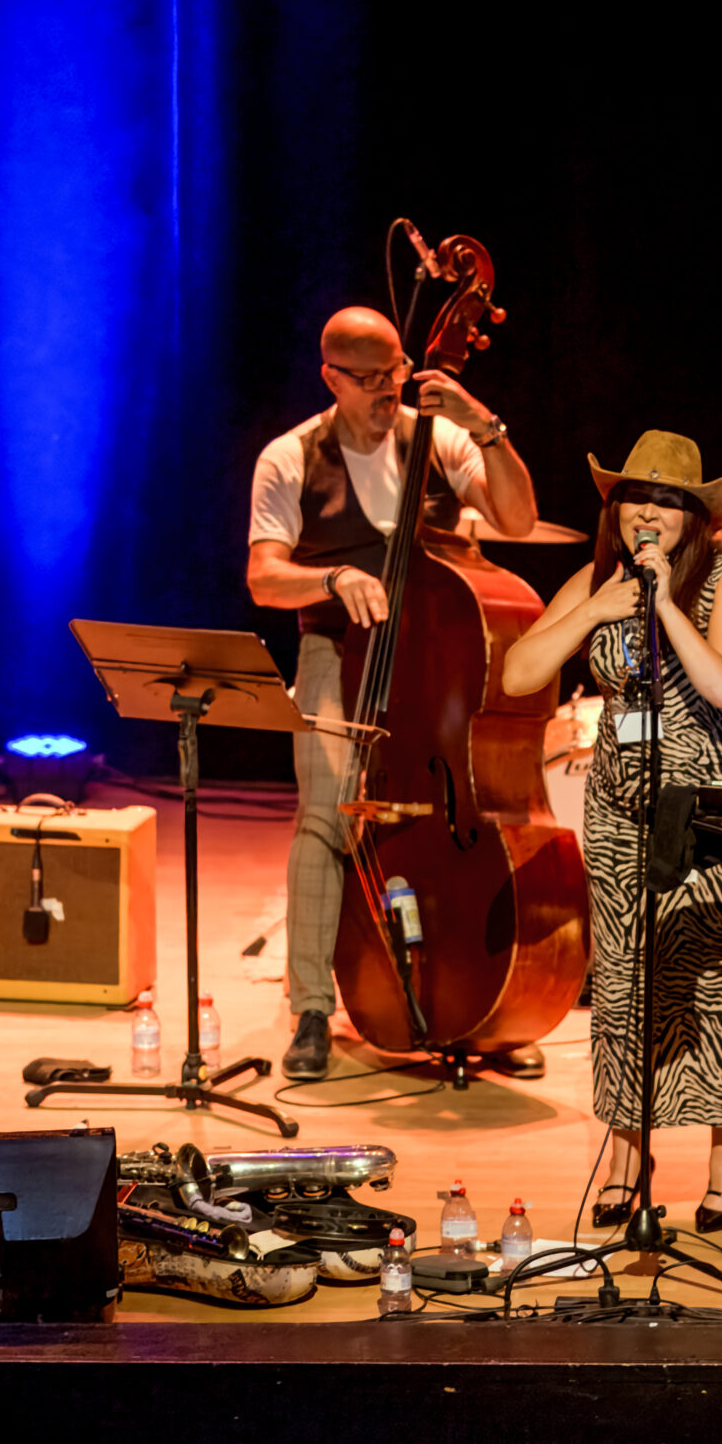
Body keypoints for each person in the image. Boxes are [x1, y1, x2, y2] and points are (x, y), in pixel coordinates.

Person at [502, 431, 722, 1231]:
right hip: (622, 803)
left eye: (668, 500)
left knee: (721, 979)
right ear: (616, 508)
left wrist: (663, 602)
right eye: (636, 497)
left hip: (713, 801)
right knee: (627, 978)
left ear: (696, 516)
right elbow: (519, 674)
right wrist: (597, 607)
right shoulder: (596, 579)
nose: (649, 512)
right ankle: (628, 1150)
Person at [246, 305, 540, 1081]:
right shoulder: (289, 457)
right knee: (325, 814)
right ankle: (313, 1008)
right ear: (331, 377)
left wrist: (486, 428)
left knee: (463, 814)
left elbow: (518, 518)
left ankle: (485, 1002)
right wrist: (331, 578)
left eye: (397, 372)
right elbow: (264, 576)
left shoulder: (438, 438)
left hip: (438, 659)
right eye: (370, 378)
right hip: (337, 650)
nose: (389, 391)